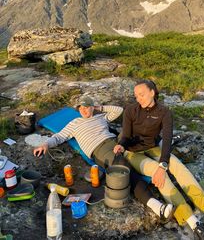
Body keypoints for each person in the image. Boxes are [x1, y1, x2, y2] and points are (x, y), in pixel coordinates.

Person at [114, 80, 204, 240]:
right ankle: (194, 223)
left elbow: (168, 138)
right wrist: (121, 146)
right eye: (136, 96)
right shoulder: (130, 110)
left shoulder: (164, 112)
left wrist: (163, 163)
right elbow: (126, 137)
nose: (138, 99)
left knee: (178, 166)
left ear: (152, 92)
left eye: (141, 95)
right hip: (133, 152)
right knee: (158, 174)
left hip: (154, 147)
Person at [33, 95, 175, 222]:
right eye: (81, 108)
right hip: (101, 148)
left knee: (134, 131)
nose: (83, 110)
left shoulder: (100, 117)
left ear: (92, 108)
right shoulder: (74, 123)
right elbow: (60, 136)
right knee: (125, 171)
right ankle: (158, 207)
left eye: (87, 107)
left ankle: (166, 143)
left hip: (117, 142)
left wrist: (100, 108)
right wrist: (45, 144)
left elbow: (119, 110)